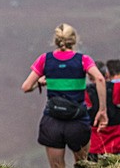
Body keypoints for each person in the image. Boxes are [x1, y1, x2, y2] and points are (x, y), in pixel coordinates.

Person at [21, 23, 108, 168]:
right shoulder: (83, 60)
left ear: (55, 40)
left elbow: (26, 87)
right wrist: (102, 110)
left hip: (52, 120)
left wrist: (41, 83)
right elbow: (99, 79)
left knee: (56, 166)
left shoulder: (45, 59)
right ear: (74, 40)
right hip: (77, 120)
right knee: (83, 164)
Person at [86, 59, 120, 157]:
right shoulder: (117, 87)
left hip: (95, 145)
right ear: (107, 74)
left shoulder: (86, 92)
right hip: (116, 143)